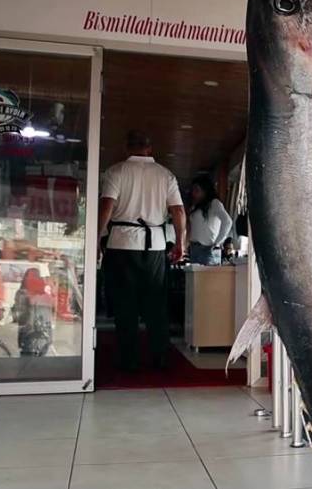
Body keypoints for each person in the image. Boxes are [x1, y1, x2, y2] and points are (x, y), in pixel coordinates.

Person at [98, 130, 185, 372]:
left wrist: (97, 238)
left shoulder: (116, 172)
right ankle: (160, 358)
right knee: (156, 305)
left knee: (125, 305)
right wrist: (181, 243)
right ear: (149, 149)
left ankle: (129, 360)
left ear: (127, 147)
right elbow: (178, 211)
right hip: (155, 245)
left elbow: (106, 206)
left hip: (121, 244)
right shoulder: (165, 175)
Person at [187, 175, 233, 266]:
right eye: (193, 190)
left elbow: (227, 222)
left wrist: (217, 242)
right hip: (194, 248)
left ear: (205, 191)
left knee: (208, 275)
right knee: (195, 275)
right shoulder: (196, 206)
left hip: (207, 249)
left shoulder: (214, 203)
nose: (194, 193)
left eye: (197, 190)